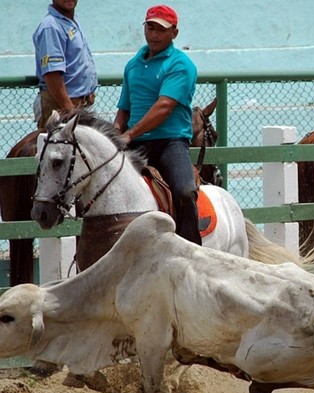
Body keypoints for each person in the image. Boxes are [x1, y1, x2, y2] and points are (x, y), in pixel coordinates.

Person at [113, 4, 201, 245]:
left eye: (161, 30)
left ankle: (190, 250)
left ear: (174, 33)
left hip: (169, 142)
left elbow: (164, 106)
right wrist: (113, 135)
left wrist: (129, 135)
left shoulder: (180, 64)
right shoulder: (133, 65)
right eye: (150, 28)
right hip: (136, 142)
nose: (154, 34)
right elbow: (124, 109)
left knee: (184, 191)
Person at [33, 0, 97, 129]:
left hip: (76, 106)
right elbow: (52, 75)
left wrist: (87, 92)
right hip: (59, 107)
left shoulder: (71, 22)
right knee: (56, 148)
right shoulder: (51, 26)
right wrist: (70, 110)